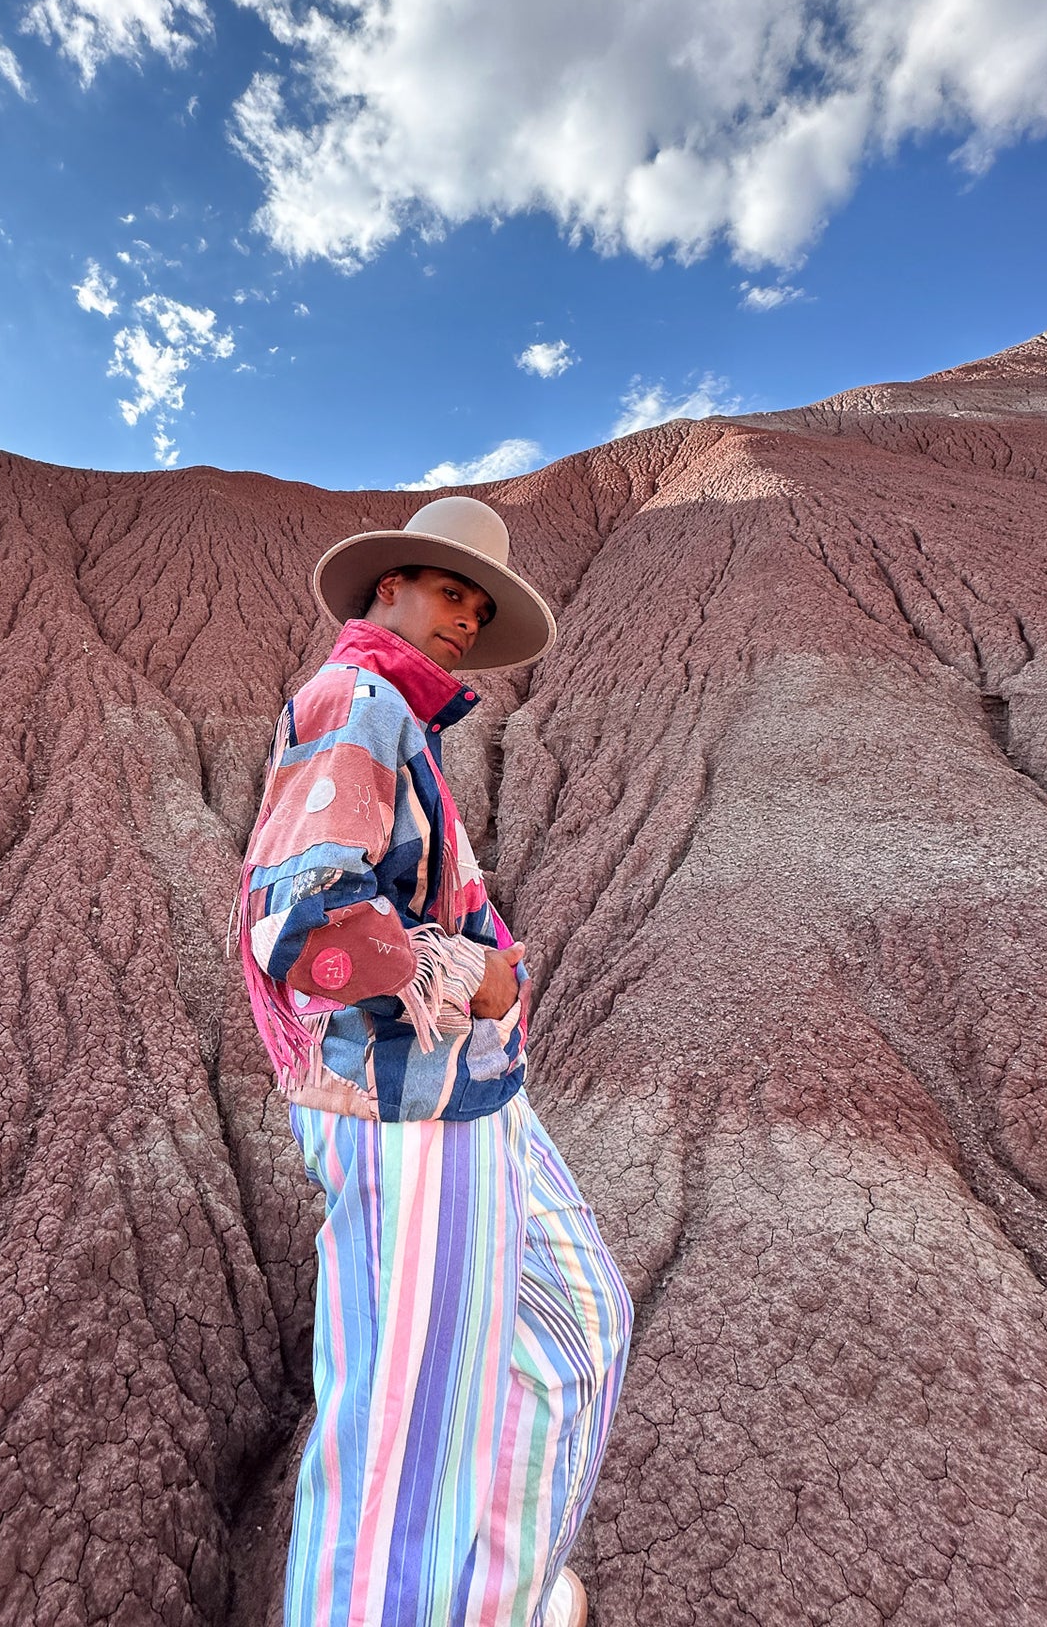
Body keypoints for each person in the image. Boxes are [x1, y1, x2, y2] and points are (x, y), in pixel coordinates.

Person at [236, 495, 633, 1627]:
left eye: (478, 601)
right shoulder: (353, 702)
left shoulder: (403, 725)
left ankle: (488, 1600)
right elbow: (301, 925)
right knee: (405, 1437)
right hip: (403, 1102)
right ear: (385, 591)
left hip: (471, 1090)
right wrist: (480, 977)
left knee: (576, 1332)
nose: (463, 616)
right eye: (446, 590)